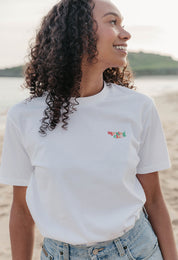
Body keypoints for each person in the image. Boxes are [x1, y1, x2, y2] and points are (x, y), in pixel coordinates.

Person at [0, 0, 178, 259]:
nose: (125, 33)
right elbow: (21, 211)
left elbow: (154, 200)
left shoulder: (138, 107)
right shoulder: (23, 117)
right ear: (79, 33)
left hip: (136, 250)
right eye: (112, 22)